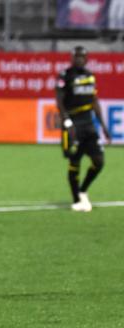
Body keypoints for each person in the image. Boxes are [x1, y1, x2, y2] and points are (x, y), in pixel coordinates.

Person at [56, 46, 111, 212]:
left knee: (99, 161)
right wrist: (67, 123)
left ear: (86, 59)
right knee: (74, 160)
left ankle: (83, 190)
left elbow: (94, 101)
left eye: (82, 56)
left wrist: (103, 126)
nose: (79, 59)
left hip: (88, 124)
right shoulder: (64, 76)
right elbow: (59, 102)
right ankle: (76, 200)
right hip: (72, 124)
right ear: (72, 58)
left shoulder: (90, 76)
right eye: (76, 56)